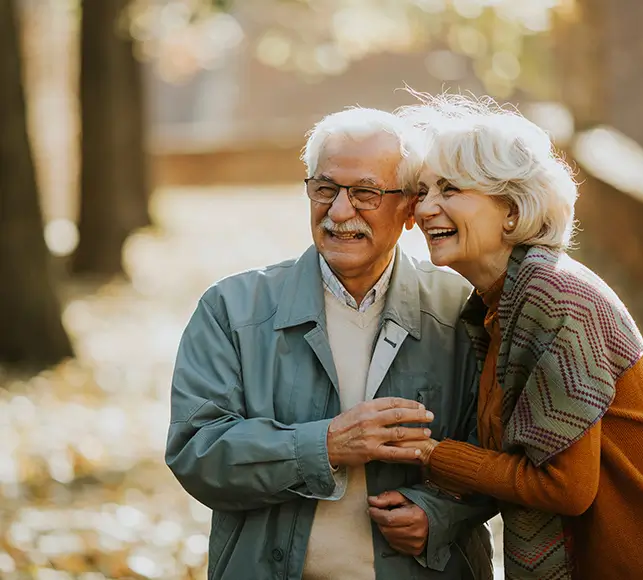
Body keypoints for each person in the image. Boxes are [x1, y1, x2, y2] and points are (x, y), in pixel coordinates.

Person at [389, 93, 643, 579]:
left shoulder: (554, 297)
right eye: (423, 190)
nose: (426, 208)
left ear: (513, 211)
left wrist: (432, 454)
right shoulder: (495, 311)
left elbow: (563, 486)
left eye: (451, 189)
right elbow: (508, 460)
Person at [165, 107, 494, 580]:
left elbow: (499, 455)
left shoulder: (460, 310)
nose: (339, 212)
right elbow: (197, 451)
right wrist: (325, 445)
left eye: (365, 193)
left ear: (408, 210)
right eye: (325, 189)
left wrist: (440, 515)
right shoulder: (232, 308)